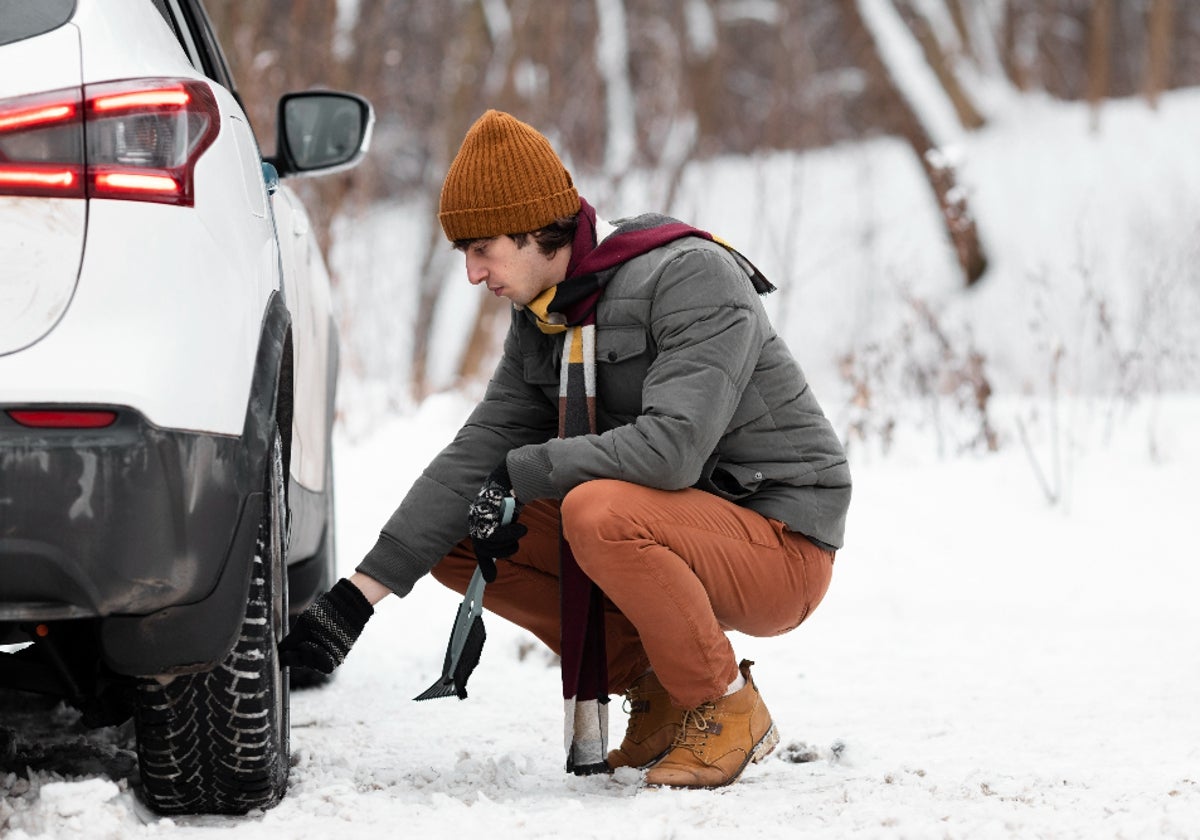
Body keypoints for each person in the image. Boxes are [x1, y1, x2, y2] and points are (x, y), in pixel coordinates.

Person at [279, 109, 851, 790]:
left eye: (482, 248)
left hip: (780, 542)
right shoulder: (547, 314)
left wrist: (529, 469)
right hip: (678, 525)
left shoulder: (690, 276)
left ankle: (723, 704)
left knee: (596, 510)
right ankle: (659, 691)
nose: (471, 272)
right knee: (468, 532)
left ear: (533, 230)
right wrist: (355, 598)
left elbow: (672, 452)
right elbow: (480, 450)